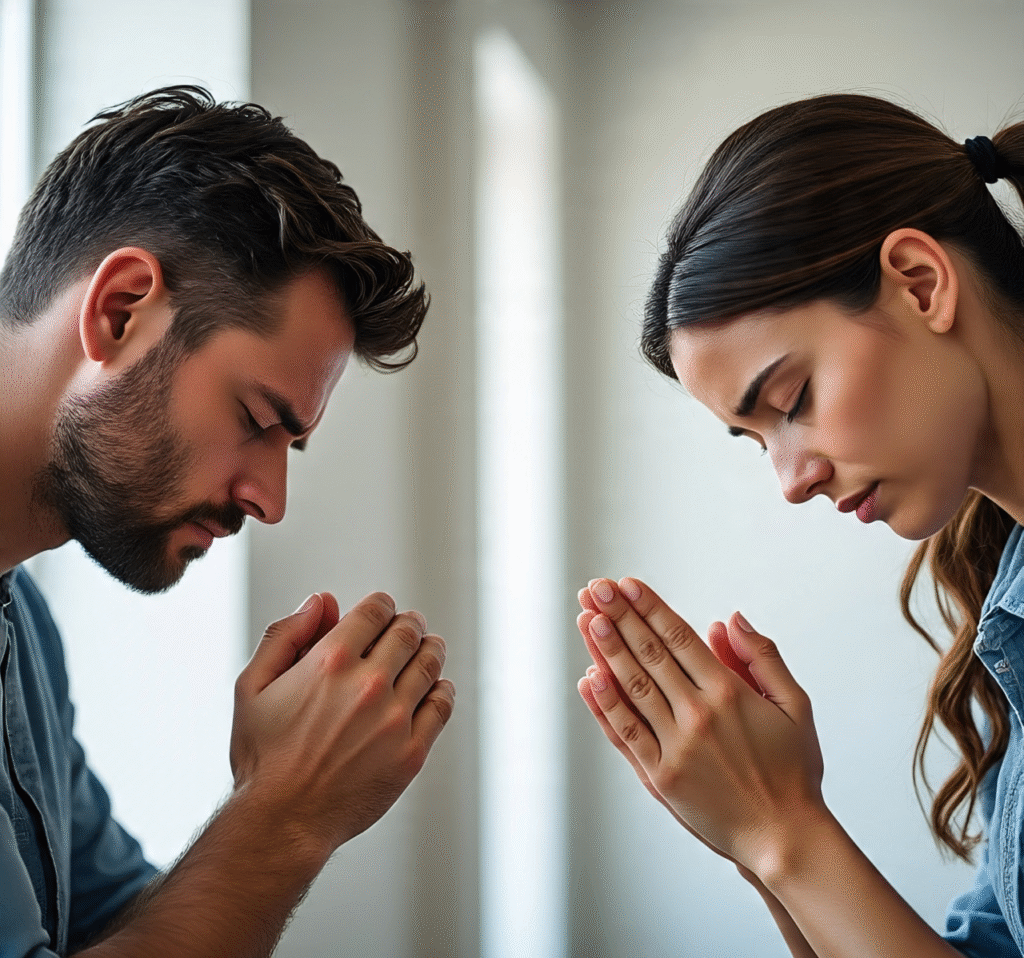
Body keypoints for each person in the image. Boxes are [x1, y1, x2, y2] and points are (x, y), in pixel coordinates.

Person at [0, 86, 455, 957]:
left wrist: (274, 800)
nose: (270, 501)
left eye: (293, 445)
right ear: (120, 311)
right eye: (257, 419)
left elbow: (111, 924)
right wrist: (284, 814)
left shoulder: (26, 635)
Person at [575, 93, 1024, 957]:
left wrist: (783, 830)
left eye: (792, 401)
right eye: (755, 441)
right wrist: (760, 833)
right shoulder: (1008, 600)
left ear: (921, 284)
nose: (792, 480)